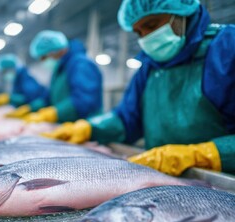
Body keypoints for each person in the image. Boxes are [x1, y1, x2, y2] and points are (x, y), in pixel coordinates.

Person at [43, 0, 235, 176]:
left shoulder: (227, 48)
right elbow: (127, 118)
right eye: (139, 32)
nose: (146, 37)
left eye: (151, 25)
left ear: (181, 13)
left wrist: (202, 155)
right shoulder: (150, 67)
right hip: (163, 177)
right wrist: (89, 128)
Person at [6, 30, 103, 123]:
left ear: (54, 51)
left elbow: (84, 100)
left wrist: (54, 113)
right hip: (66, 125)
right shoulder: (60, 68)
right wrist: (30, 108)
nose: (44, 61)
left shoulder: (81, 64)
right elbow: (49, 97)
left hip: (84, 128)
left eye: (44, 57)